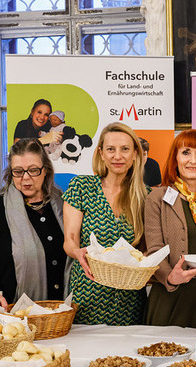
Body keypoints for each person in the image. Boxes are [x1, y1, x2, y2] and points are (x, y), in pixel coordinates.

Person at [0, 139, 70, 320]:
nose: (25, 178)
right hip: (15, 319)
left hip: (62, 317)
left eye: (33, 170)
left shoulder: (65, 206)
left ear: (45, 170)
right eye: (18, 172)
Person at [62, 122, 148, 325]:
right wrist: (77, 252)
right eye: (111, 149)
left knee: (127, 356)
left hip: (129, 299)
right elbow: (70, 239)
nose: (118, 156)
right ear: (101, 153)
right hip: (87, 293)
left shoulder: (146, 196)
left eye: (125, 149)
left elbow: (146, 248)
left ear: (135, 153)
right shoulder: (81, 187)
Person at [144, 130, 196, 328]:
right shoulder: (157, 198)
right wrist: (170, 277)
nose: (193, 160)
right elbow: (154, 250)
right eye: (186, 152)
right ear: (175, 158)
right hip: (169, 296)